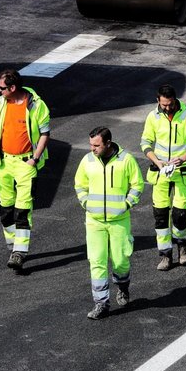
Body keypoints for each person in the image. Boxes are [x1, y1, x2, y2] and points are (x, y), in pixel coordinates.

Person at [0, 69, 50, 272]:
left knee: (23, 210)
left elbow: (44, 133)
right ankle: (12, 245)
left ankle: (20, 252)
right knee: (7, 209)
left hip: (26, 165)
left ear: (13, 88)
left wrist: (34, 159)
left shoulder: (35, 105)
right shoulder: (0, 104)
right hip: (3, 163)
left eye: (2, 88)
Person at [74, 126, 144, 320]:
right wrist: (86, 203)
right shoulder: (87, 161)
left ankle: (122, 286)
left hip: (119, 221)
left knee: (121, 261)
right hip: (94, 221)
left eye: (96, 145)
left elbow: (137, 184)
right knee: (97, 262)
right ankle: (101, 303)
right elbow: (79, 184)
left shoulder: (126, 160)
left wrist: (127, 204)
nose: (92, 149)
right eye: (91, 145)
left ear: (108, 143)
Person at [140, 84, 186, 271]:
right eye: (163, 104)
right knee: (160, 217)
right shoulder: (153, 116)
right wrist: (157, 161)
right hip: (160, 173)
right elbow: (145, 142)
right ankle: (165, 255)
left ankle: (182, 246)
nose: (166, 108)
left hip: (182, 173)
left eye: (169, 104)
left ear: (175, 100)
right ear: (158, 100)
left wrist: (183, 158)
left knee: (180, 214)